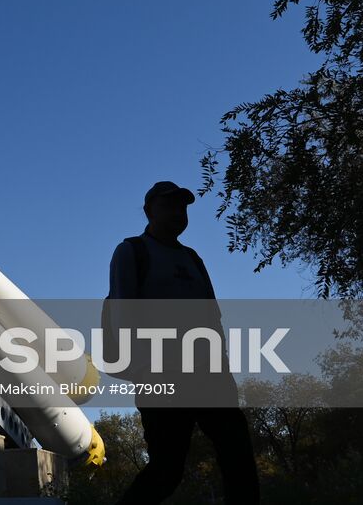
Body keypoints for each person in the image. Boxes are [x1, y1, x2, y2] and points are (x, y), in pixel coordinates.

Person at [108, 181, 260, 505]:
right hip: (160, 376)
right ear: (149, 211)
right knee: (167, 471)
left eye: (183, 206)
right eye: (170, 205)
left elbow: (213, 317)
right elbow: (123, 312)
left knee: (238, 455)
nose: (179, 212)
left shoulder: (193, 258)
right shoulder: (131, 251)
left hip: (210, 375)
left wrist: (223, 366)